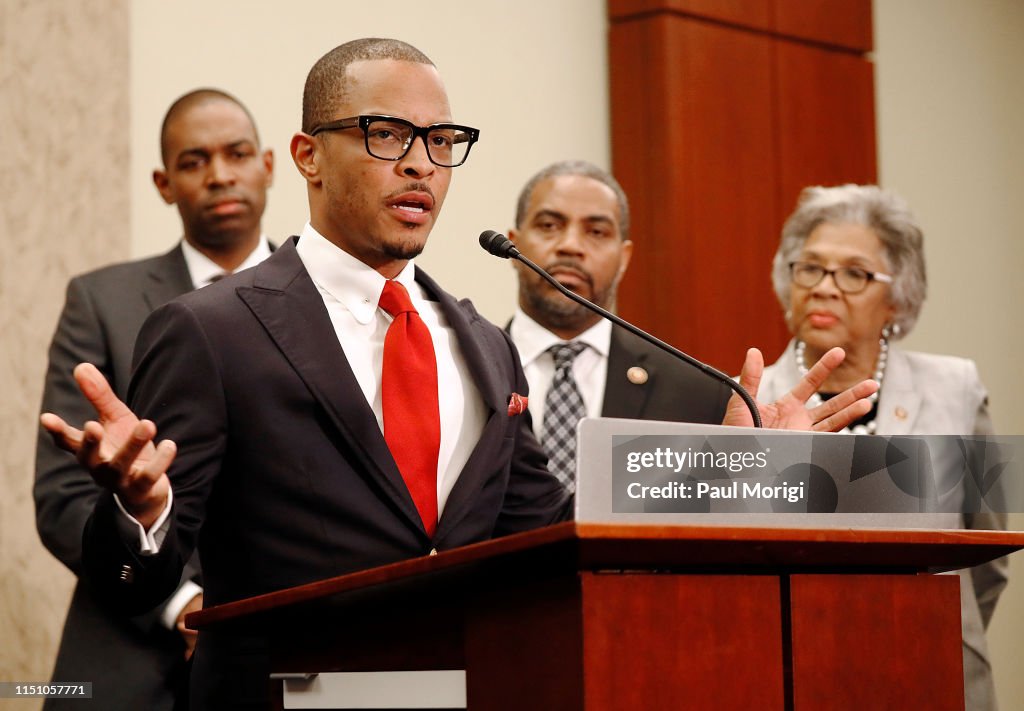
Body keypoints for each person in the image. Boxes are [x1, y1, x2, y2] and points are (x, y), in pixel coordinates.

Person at [40, 39, 876, 710]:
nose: (420, 164)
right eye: (387, 135)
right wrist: (141, 511)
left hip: (471, 688)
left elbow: (552, 535)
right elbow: (135, 575)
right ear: (307, 155)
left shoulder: (481, 341)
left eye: (442, 142)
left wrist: (729, 467)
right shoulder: (209, 328)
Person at [33, 88, 274, 710]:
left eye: (237, 154)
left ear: (269, 165)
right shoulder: (100, 302)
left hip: (289, 652)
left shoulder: (326, 304)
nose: (219, 174)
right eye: (194, 162)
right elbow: (63, 496)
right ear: (164, 184)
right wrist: (182, 604)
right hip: (128, 657)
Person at [759, 184, 1008, 711]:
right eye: (810, 268)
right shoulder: (749, 397)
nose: (825, 288)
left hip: (936, 664)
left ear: (897, 297)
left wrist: (941, 624)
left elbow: (991, 551)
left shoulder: (957, 387)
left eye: (854, 273)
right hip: (793, 667)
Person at [507, 160, 731, 489]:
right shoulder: (461, 373)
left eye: (596, 232)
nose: (570, 245)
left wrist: (762, 454)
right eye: (549, 225)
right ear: (514, 246)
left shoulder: (699, 392)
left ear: (624, 258)